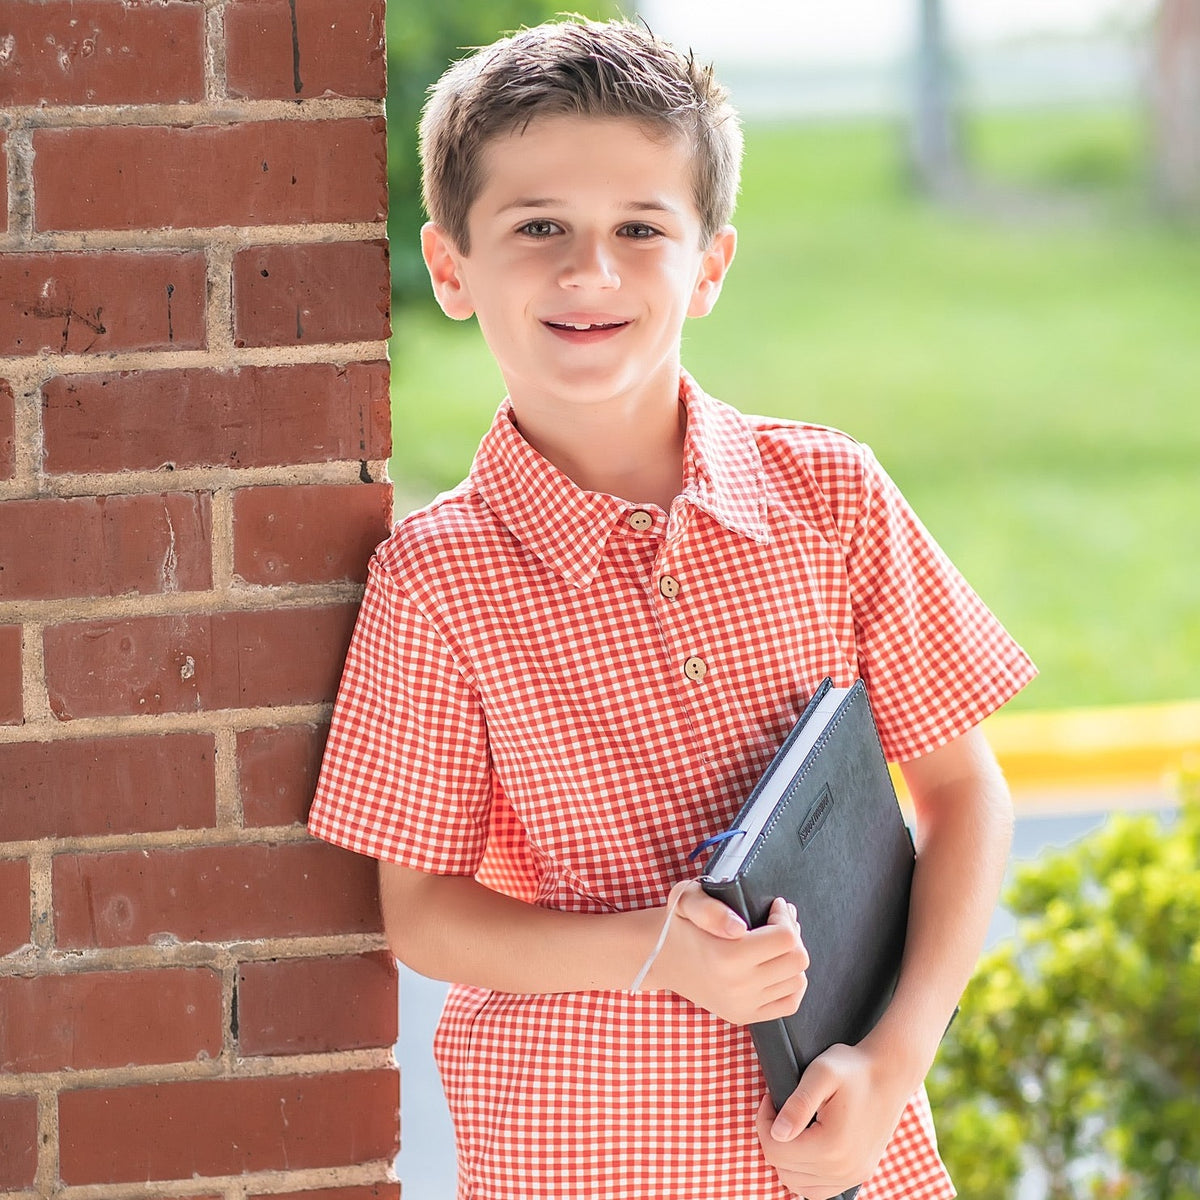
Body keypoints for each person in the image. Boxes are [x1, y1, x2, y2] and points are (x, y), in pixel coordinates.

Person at [307, 17, 1036, 1200]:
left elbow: (964, 793)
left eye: (639, 229)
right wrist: (652, 950)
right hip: (578, 1155)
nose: (587, 270)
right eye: (537, 227)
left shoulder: (832, 497)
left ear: (709, 263)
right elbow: (423, 914)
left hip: (842, 1153)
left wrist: (894, 1066)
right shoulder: (436, 582)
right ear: (451, 267)